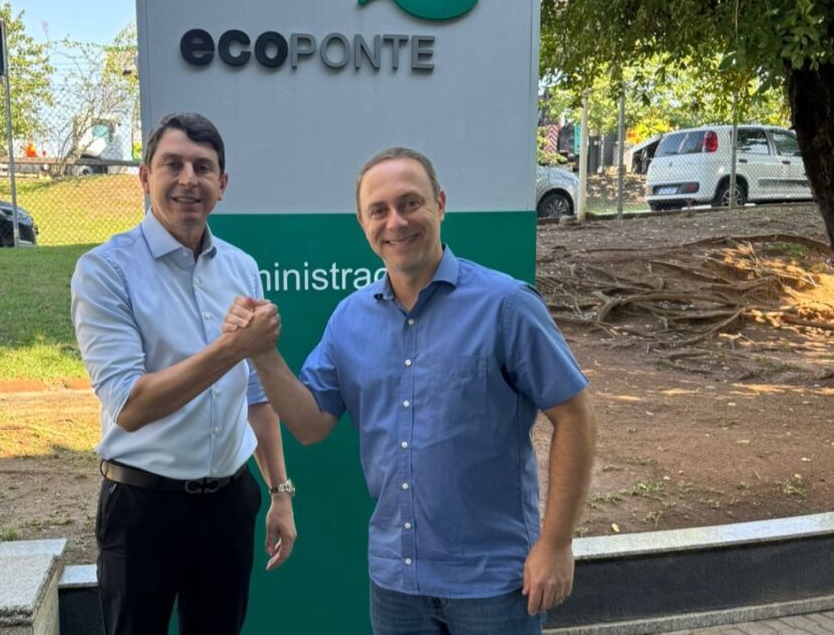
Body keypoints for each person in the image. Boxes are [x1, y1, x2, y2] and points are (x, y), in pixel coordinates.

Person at [224, 147, 596, 634]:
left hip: (493, 584)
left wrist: (556, 544)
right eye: (378, 210)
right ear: (362, 222)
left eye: (410, 203)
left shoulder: (506, 306)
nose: (395, 222)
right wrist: (262, 353)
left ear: (440, 204)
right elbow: (311, 426)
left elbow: (575, 415)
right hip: (395, 584)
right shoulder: (349, 319)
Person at [70, 112, 296, 635]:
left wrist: (280, 492)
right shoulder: (105, 271)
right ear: (144, 177)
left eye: (203, 167)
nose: (188, 179)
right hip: (142, 509)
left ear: (223, 183)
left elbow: (255, 395)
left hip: (229, 504)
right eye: (172, 164)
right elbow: (131, 406)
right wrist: (232, 348)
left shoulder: (242, 267)